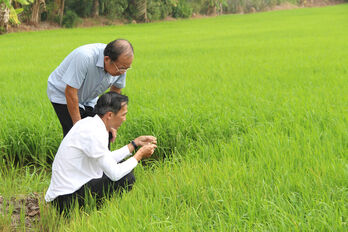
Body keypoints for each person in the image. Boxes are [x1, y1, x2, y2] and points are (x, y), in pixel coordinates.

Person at [45, 92, 157, 213]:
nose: (124, 119)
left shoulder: (92, 124)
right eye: (123, 115)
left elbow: (107, 159)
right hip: (67, 199)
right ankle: (90, 213)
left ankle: (96, 211)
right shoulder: (94, 133)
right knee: (126, 177)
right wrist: (139, 155)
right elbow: (115, 173)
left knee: (123, 164)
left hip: (68, 192)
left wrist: (134, 144)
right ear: (109, 115)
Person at [47, 39, 134, 139]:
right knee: (76, 135)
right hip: (62, 94)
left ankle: (104, 155)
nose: (123, 72)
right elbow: (70, 91)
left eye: (127, 68)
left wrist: (111, 125)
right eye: (121, 68)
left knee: (102, 131)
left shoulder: (121, 65)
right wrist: (77, 125)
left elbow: (114, 95)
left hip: (89, 97)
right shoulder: (85, 57)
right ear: (107, 59)